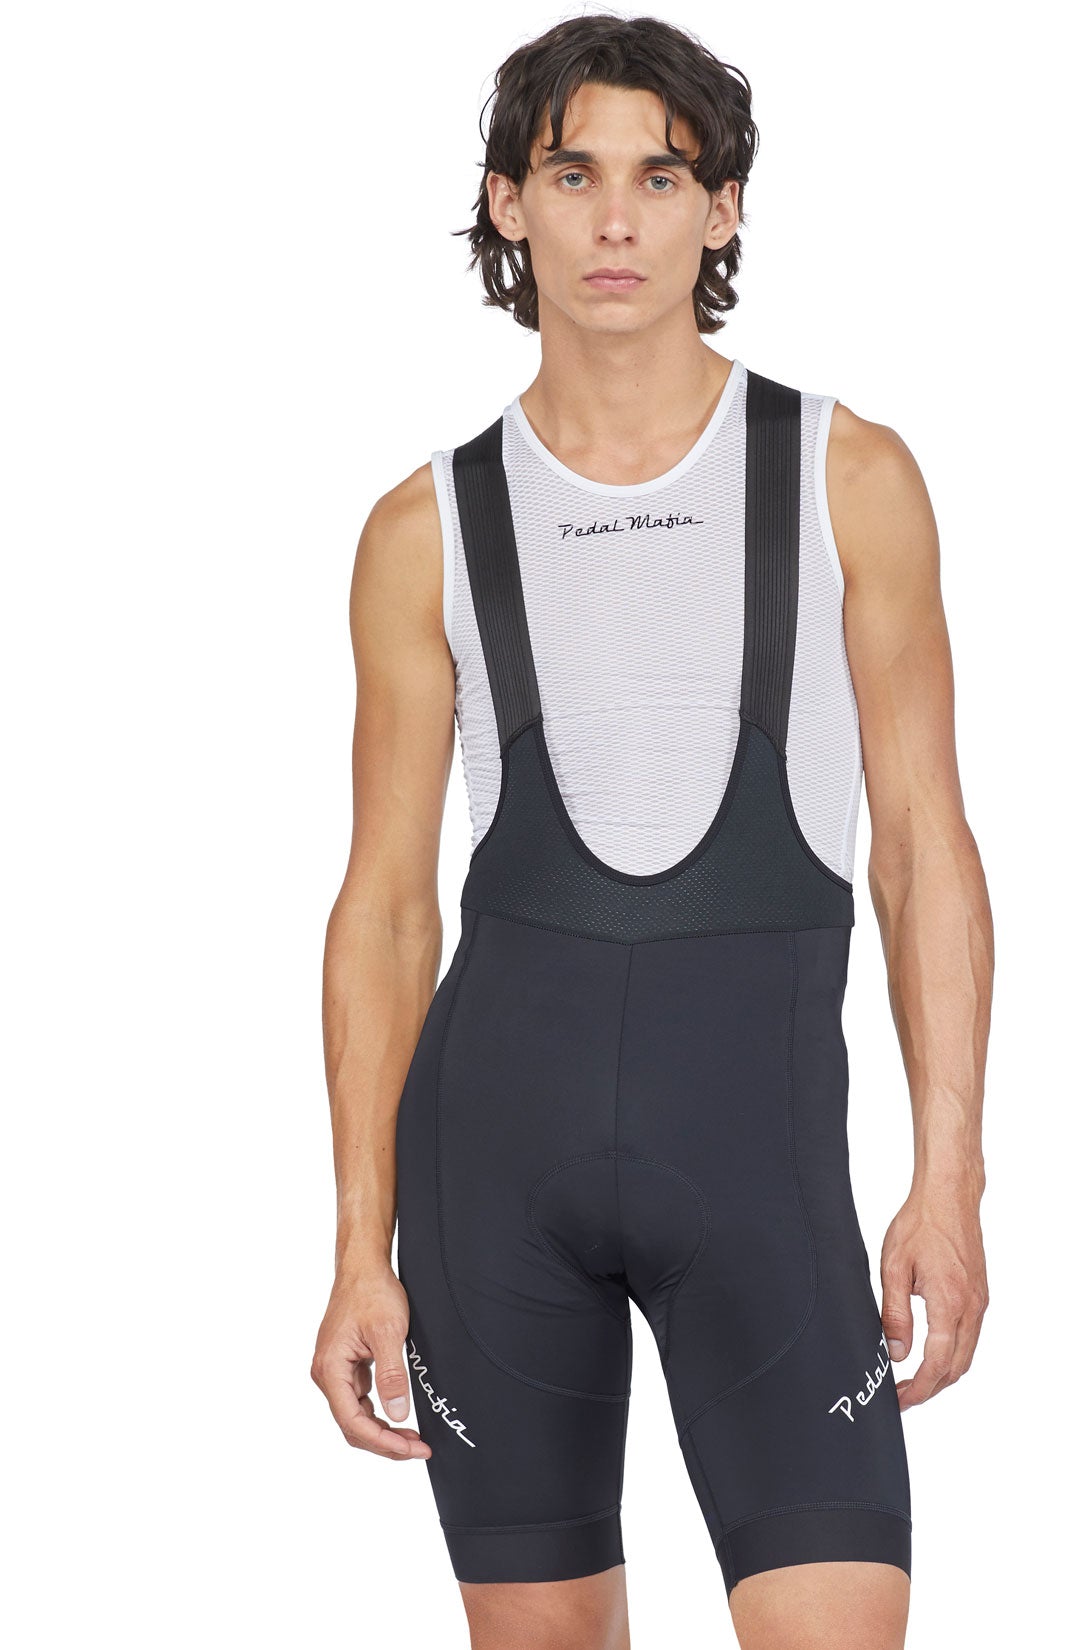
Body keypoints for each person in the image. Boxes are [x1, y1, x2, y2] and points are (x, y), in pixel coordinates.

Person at [313, 15, 992, 1650]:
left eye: (661, 177)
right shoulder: (423, 526)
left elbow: (923, 848)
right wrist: (355, 1242)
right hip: (495, 1184)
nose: (616, 218)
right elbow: (387, 906)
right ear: (509, 203)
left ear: (722, 208)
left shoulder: (847, 475)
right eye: (573, 175)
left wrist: (950, 1174)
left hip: (760, 1174)